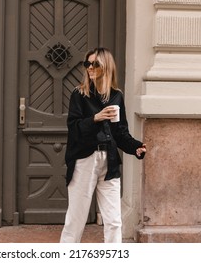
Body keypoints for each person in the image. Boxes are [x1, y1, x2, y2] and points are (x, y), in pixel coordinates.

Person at [60, 47, 146, 243]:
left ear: (106, 67)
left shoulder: (116, 96)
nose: (90, 68)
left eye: (95, 64)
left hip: (110, 161)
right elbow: (74, 129)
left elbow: (120, 132)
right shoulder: (79, 95)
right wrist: (96, 118)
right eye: (87, 64)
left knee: (114, 220)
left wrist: (135, 147)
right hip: (84, 161)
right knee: (76, 220)